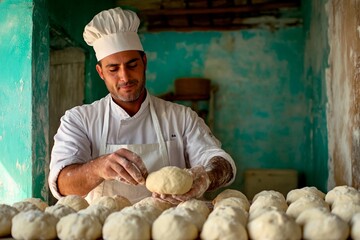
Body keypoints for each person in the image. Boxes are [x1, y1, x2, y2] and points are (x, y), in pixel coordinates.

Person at [48, 7, 236, 205]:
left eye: (132, 65)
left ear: (144, 62)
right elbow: (61, 184)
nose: (125, 77)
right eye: (113, 69)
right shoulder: (80, 120)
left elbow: (221, 162)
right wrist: (98, 167)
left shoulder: (181, 117)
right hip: (104, 230)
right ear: (100, 72)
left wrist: (206, 177)